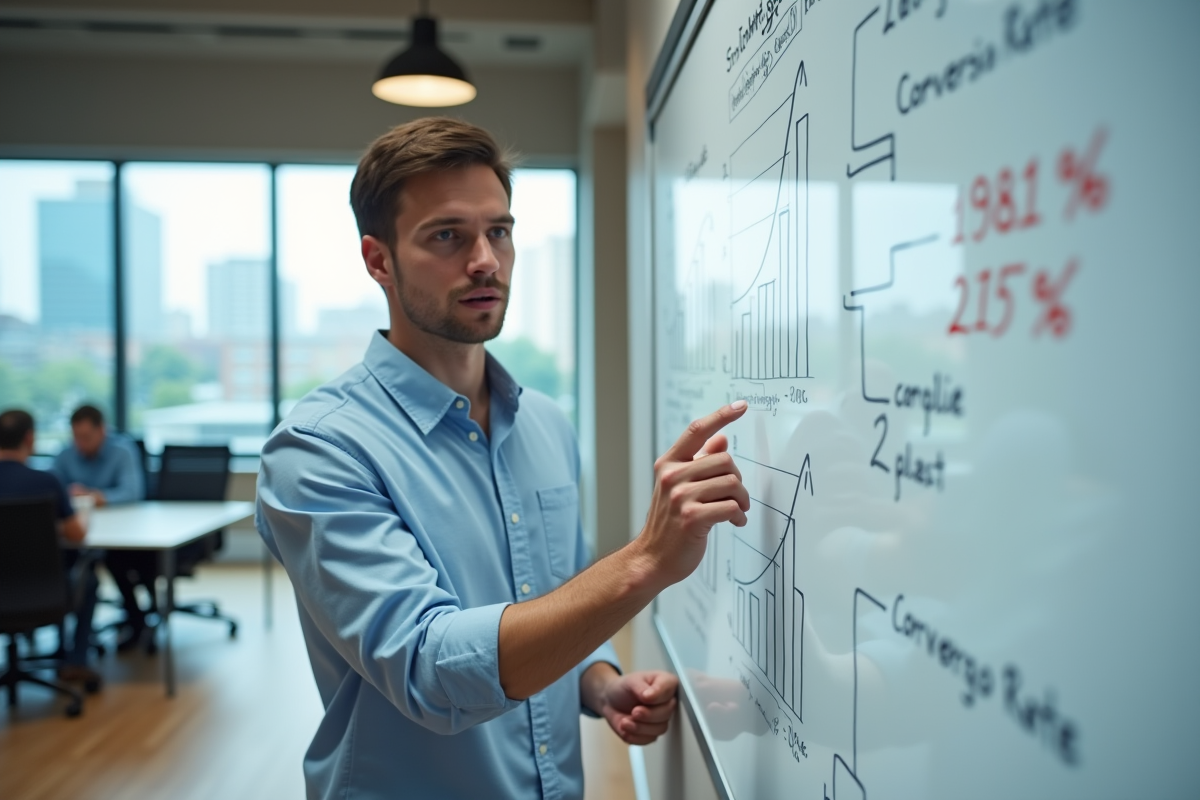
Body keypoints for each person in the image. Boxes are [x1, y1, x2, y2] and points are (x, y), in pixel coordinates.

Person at [256, 117, 751, 800]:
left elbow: (556, 602)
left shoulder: (544, 424)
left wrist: (601, 684)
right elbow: (429, 668)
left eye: (499, 231)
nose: (485, 259)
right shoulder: (317, 451)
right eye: (447, 236)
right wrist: (644, 562)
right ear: (378, 261)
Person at [0, 409, 102, 686]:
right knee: (87, 577)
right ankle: (75, 661)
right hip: (41, 591)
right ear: (30, 439)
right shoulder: (46, 482)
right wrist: (82, 513)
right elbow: (76, 535)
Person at [51, 404, 149, 648]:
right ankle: (70, 643)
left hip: (122, 531)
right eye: (76, 437)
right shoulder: (65, 455)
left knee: (111, 562)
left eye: (86, 437)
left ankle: (135, 619)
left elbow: (133, 492)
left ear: (102, 431)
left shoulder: (122, 450)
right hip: (77, 531)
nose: (80, 444)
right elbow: (54, 493)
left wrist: (96, 496)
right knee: (73, 566)